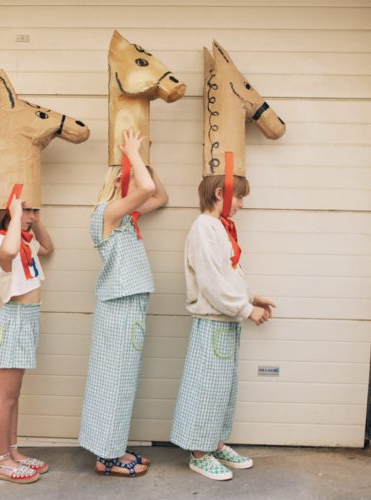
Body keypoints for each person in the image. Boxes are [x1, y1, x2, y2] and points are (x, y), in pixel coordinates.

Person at [170, 174, 276, 481]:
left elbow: (227, 275)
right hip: (213, 321)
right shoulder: (204, 227)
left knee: (222, 391)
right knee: (206, 389)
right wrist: (246, 309)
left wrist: (253, 298)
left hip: (226, 320)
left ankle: (214, 443)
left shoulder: (219, 227)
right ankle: (199, 454)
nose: (242, 204)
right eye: (239, 197)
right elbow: (211, 282)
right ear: (220, 193)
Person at [79, 128, 168, 477]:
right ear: (119, 181)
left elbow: (159, 195)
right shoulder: (106, 214)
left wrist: (144, 160)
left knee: (120, 382)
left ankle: (111, 446)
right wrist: (131, 153)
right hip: (118, 308)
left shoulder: (126, 218)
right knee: (112, 382)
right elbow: (145, 190)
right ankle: (106, 456)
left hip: (129, 308)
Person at [0, 196, 54, 484]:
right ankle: (0, 459)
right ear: (9, 211)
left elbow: (48, 247)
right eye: (27, 210)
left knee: (14, 397)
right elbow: (9, 251)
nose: (31, 216)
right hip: (11, 320)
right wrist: (16, 214)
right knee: (4, 398)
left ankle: (12, 450)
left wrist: (34, 220)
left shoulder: (24, 240)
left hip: (27, 320)